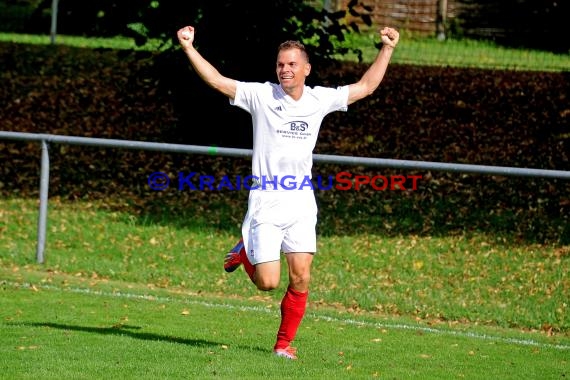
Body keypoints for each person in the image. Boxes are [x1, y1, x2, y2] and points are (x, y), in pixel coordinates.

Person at [177, 24, 399, 360]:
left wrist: (388, 48)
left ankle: (283, 346)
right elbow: (217, 80)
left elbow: (365, 87)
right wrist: (189, 47)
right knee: (267, 282)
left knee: (301, 276)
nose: (285, 69)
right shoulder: (261, 95)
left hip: (301, 201)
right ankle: (244, 252)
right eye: (281, 64)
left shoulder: (319, 98)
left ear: (306, 69)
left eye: (292, 64)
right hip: (266, 201)